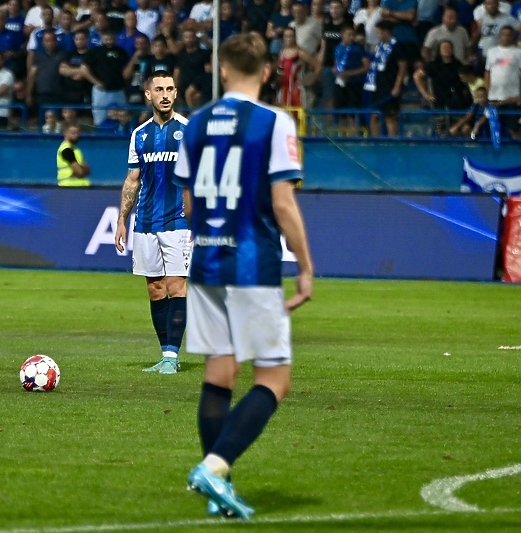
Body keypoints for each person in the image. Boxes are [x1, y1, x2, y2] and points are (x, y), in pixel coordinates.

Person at [173, 32, 313, 520]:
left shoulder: (194, 125)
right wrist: (307, 266)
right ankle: (215, 467)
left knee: (219, 373)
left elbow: (188, 202)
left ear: (223, 70)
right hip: (252, 264)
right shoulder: (275, 123)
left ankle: (217, 487)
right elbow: (282, 201)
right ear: (267, 72)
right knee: (274, 377)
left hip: (207, 262)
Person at [114, 70, 190, 375]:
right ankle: (165, 353)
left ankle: (172, 356)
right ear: (149, 95)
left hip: (179, 222)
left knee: (176, 286)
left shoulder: (189, 130)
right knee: (156, 289)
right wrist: (122, 220)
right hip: (144, 221)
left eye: (170, 88)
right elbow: (133, 181)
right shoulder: (139, 134)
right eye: (159, 89)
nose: (166, 94)